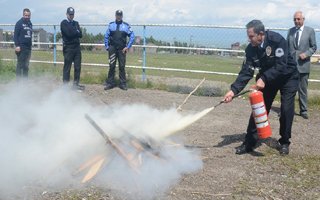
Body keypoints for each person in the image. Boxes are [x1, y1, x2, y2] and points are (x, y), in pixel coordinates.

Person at [223, 20, 299, 155]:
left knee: (286, 109)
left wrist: (263, 78)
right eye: (248, 36)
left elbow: (281, 65)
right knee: (259, 108)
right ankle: (249, 143)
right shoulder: (251, 49)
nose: (249, 39)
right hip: (268, 78)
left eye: (251, 36)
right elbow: (246, 72)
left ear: (261, 34)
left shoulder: (277, 40)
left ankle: (284, 142)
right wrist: (233, 90)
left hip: (288, 76)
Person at [287, 11, 317, 119]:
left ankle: (303, 110)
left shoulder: (310, 31)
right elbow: (287, 47)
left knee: (302, 90)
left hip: (303, 65)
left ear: (303, 19)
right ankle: (287, 110)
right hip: (291, 66)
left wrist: (307, 54)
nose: (296, 21)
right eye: (294, 19)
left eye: (298, 19)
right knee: (289, 90)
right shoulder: (290, 31)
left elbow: (313, 47)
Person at [104, 10, 135, 90]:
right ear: (115, 15)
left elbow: (132, 36)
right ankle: (110, 83)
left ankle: (122, 84)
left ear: (122, 16)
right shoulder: (111, 25)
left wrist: (128, 47)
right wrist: (107, 46)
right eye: (117, 15)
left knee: (122, 66)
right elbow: (106, 36)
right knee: (111, 66)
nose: (119, 16)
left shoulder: (126, 26)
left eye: (120, 15)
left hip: (122, 49)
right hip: (112, 49)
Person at [60, 7, 84, 90]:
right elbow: (68, 34)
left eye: (72, 14)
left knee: (78, 67)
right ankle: (65, 85)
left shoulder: (76, 23)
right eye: (70, 14)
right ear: (66, 14)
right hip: (68, 48)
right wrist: (75, 31)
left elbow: (80, 34)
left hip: (77, 47)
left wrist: (73, 31)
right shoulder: (63, 23)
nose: (71, 16)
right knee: (67, 67)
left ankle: (76, 84)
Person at [14, 8, 32, 79]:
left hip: (28, 48)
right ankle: (18, 83)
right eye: (26, 15)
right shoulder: (19, 23)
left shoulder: (30, 23)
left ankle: (25, 82)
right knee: (20, 65)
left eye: (28, 15)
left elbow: (30, 36)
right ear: (23, 15)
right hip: (21, 47)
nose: (27, 17)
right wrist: (17, 45)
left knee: (26, 65)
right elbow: (15, 35)